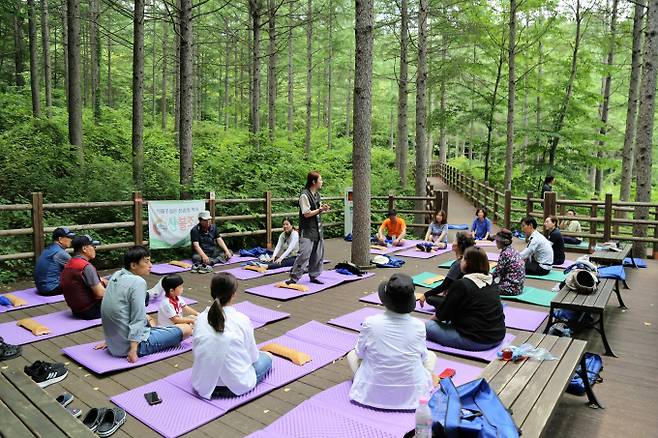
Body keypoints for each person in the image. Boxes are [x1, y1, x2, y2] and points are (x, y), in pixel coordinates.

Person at [347, 273, 435, 410]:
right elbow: (423, 357)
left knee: (351, 355)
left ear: (386, 300)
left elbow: (359, 353)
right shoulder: (419, 325)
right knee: (431, 356)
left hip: (370, 394)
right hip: (412, 396)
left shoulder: (370, 322)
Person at [100, 246, 192, 363]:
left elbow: (107, 310)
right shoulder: (138, 282)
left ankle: (157, 328)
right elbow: (137, 319)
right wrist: (133, 350)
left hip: (116, 344)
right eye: (146, 261)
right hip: (131, 346)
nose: (151, 265)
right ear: (133, 265)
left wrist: (110, 340)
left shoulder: (117, 275)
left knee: (148, 318)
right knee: (187, 329)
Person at [191, 272, 273, 399]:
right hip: (234, 386)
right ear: (233, 294)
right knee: (267, 356)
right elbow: (253, 357)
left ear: (212, 292)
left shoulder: (200, 318)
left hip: (202, 384)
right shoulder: (241, 319)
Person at [425, 247, 506, 351]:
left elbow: (441, 315)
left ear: (468, 262)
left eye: (463, 259)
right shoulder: (490, 280)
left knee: (429, 326)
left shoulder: (462, 284)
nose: (461, 261)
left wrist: (428, 324)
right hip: (498, 336)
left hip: (477, 341)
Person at [286, 171, 330, 285]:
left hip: (318, 229)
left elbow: (317, 210)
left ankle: (314, 275)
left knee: (317, 254)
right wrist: (320, 210)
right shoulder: (304, 195)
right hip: (307, 230)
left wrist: (323, 208)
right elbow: (306, 213)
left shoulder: (317, 195)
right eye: (320, 180)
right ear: (314, 182)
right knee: (304, 254)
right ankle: (294, 277)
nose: (322, 182)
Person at [419, 232, 475, 309]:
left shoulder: (458, 264)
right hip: (471, 298)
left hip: (462, 302)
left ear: (459, 246)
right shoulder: (470, 258)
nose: (452, 243)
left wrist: (425, 295)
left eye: (455, 241)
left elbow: (444, 286)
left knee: (430, 298)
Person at [61, 235, 107, 320]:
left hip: (76, 310)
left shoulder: (69, 263)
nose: (94, 248)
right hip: (91, 311)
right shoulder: (86, 267)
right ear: (84, 249)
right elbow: (100, 293)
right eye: (93, 246)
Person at [34, 227, 76, 296]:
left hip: (40, 288)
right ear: (60, 239)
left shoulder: (48, 249)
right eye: (69, 237)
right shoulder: (60, 253)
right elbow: (79, 270)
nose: (71, 240)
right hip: (50, 289)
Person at [491, 229, 524, 296]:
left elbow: (497, 273)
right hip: (519, 286)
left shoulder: (505, 253)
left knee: (486, 288)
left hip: (511, 288)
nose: (496, 242)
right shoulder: (513, 250)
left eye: (497, 240)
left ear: (502, 242)